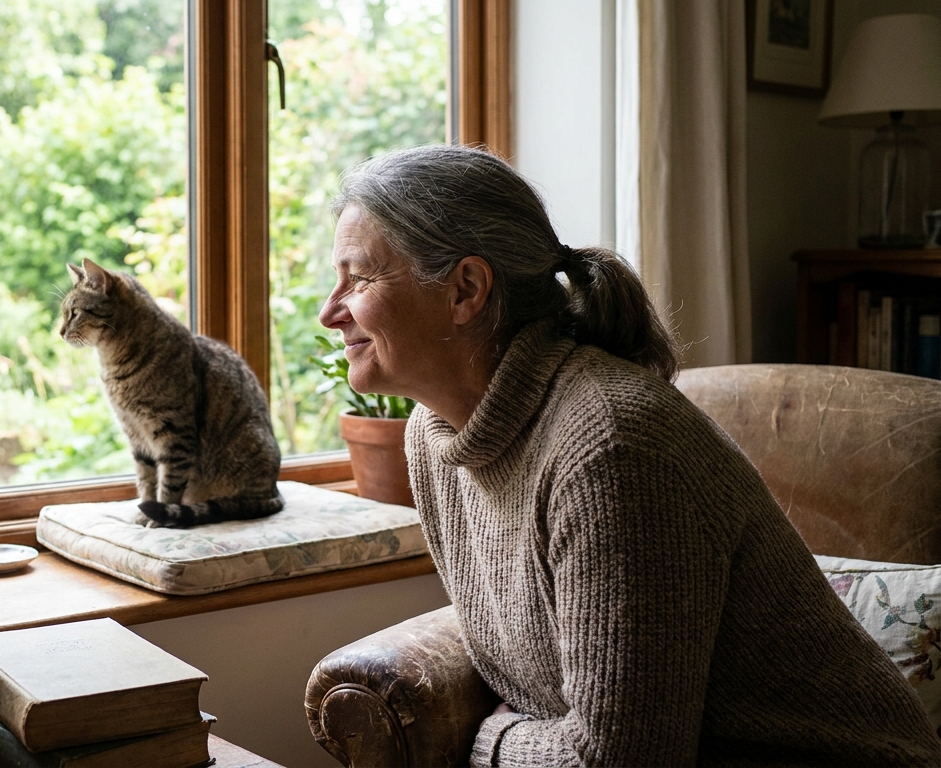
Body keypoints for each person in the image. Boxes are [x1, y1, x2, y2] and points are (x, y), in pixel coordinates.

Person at [317, 144, 941, 767]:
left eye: (360, 277)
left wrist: (490, 740)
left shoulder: (611, 447)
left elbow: (619, 759)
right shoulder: (434, 437)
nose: (329, 312)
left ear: (466, 289)